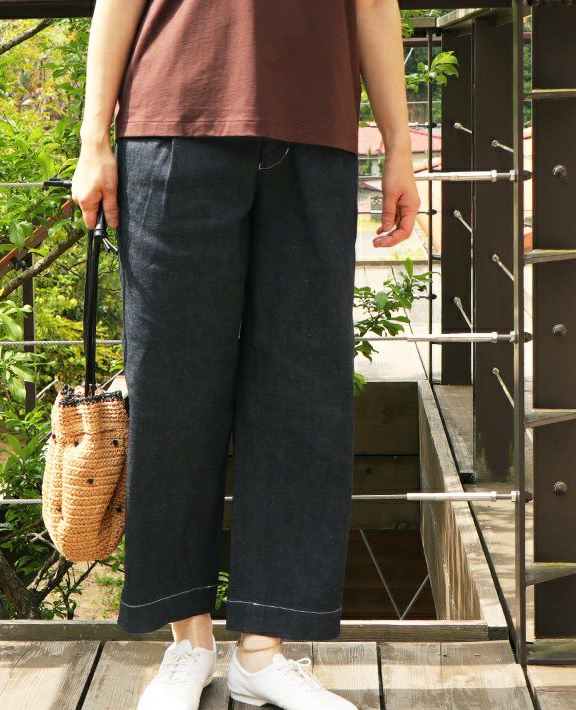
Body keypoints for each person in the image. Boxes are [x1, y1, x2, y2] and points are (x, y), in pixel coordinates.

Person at [72, 1, 419, 708]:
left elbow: (375, 6)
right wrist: (92, 139)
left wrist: (399, 148)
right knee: (171, 394)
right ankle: (186, 642)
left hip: (316, 131)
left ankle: (263, 652)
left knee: (303, 396)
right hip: (171, 121)